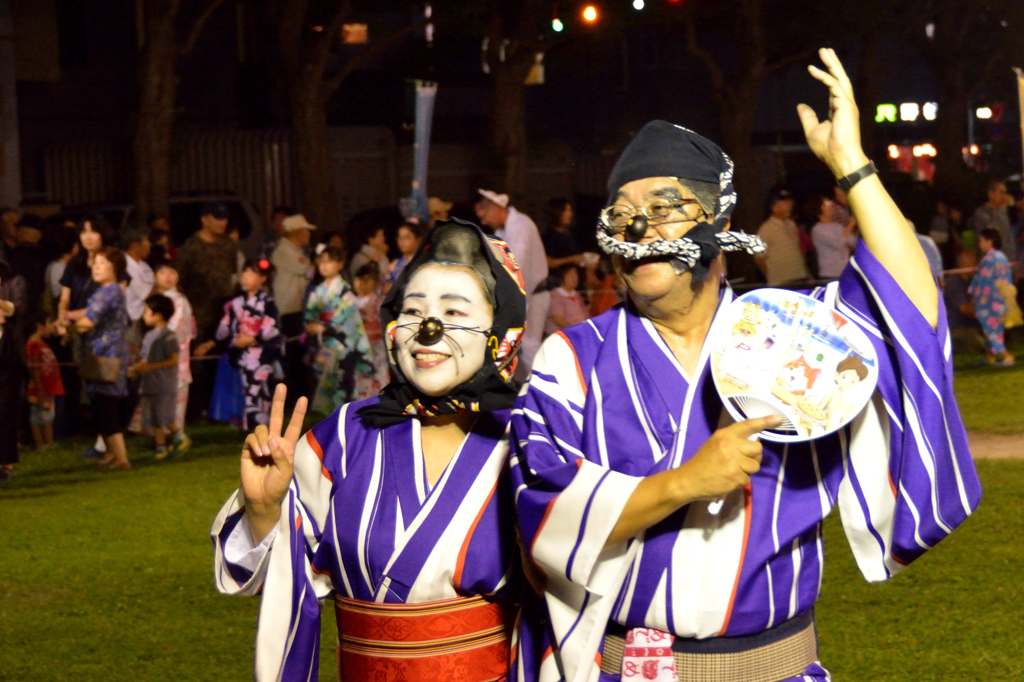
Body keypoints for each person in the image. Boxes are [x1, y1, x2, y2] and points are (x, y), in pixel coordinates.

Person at [511, 49, 979, 682]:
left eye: (666, 205)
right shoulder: (572, 358)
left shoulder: (793, 333)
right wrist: (684, 482)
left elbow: (911, 309)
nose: (641, 226)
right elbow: (541, 512)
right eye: (623, 213)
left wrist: (851, 165)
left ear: (721, 224)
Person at [211, 220, 542, 681]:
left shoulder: (532, 443)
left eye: (455, 311)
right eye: (414, 309)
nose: (428, 329)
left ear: (500, 328)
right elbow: (272, 574)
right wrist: (265, 511)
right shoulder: (343, 439)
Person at [62, 247, 131, 471]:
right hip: (102, 357)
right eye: (95, 263)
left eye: (101, 263)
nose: (95, 267)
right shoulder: (110, 291)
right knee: (101, 406)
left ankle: (121, 458)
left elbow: (89, 321)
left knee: (106, 408)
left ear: (115, 268)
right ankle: (111, 454)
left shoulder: (107, 292)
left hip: (106, 358)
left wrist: (67, 329)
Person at [201, 259, 281, 430]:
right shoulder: (237, 303)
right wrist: (214, 342)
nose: (246, 277)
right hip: (243, 354)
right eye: (244, 273)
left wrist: (253, 339)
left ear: (263, 278)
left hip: (261, 355)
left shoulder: (267, 303)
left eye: (252, 274)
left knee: (260, 391)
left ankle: (260, 428)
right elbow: (225, 328)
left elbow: (271, 329)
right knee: (247, 392)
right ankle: (250, 428)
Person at [476, 189, 549, 372]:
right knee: (516, 346)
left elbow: (515, 265)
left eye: (484, 215)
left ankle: (545, 388)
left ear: (495, 207)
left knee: (529, 345)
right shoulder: (502, 231)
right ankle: (525, 391)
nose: (484, 221)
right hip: (523, 295)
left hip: (535, 294)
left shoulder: (520, 225)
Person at [178, 202, 239, 418]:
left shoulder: (228, 245)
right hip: (199, 315)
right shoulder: (190, 247)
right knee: (199, 366)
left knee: (221, 362)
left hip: (222, 313)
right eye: (216, 218)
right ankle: (196, 410)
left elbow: (232, 276)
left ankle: (218, 409)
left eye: (224, 219)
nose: (221, 222)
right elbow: (181, 281)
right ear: (204, 219)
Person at [304, 247, 376, 414]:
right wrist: (311, 325)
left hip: (344, 343)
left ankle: (344, 419)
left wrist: (324, 326)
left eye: (330, 261)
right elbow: (310, 315)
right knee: (323, 382)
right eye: (321, 262)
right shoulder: (317, 291)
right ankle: (329, 421)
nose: (325, 266)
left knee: (343, 382)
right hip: (325, 342)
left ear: (340, 264)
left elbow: (345, 316)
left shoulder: (345, 290)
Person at [131, 294, 189, 458]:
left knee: (164, 415)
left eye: (146, 311)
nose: (144, 315)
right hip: (150, 383)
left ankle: (179, 437)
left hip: (163, 383)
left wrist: (150, 367)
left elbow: (173, 360)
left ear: (157, 315)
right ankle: (160, 447)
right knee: (154, 417)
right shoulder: (149, 336)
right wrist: (136, 368)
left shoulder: (169, 336)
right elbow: (145, 357)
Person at [271, 214, 316, 405]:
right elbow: (306, 270)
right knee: (293, 354)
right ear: (297, 233)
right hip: (290, 310)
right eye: (305, 230)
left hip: (298, 308)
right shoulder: (284, 250)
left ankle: (301, 394)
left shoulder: (295, 250)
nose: (308, 234)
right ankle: (293, 396)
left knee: (299, 353)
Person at [152, 264, 196, 435]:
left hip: (175, 357)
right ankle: (162, 437)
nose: (167, 276)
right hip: (159, 357)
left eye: (172, 271)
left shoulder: (179, 300)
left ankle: (175, 436)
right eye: (162, 272)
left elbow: (178, 329)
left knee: (174, 397)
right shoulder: (155, 298)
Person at [969, 228, 1015, 366]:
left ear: (990, 241)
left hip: (989, 301)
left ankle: (1007, 357)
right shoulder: (1001, 257)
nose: (979, 244)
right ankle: (990, 356)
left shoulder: (988, 259)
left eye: (982, 241)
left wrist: (973, 293)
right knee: (994, 329)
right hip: (1001, 300)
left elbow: (981, 281)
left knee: (991, 329)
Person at [0, 257, 25, 480]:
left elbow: (15, 309)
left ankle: (6, 462)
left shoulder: (15, 282)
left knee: (6, 410)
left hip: (8, 355)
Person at [26, 311, 65, 450]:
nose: (51, 328)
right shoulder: (33, 345)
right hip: (42, 387)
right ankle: (42, 443)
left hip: (50, 386)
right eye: (49, 324)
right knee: (40, 417)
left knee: (47, 416)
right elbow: (35, 369)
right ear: (39, 326)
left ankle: (47, 443)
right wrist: (40, 389)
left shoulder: (44, 344)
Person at [757, 187, 810, 284]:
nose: (790, 207)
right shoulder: (765, 229)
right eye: (785, 204)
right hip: (782, 283)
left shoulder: (791, 225)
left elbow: (797, 252)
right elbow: (759, 258)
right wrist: (773, 277)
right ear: (774, 207)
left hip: (800, 279)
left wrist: (808, 274)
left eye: (790, 203)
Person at [351, 263, 391, 394]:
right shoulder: (351, 301)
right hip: (356, 346)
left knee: (378, 377)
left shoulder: (380, 302)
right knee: (359, 379)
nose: (362, 283)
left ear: (375, 283)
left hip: (375, 346)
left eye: (367, 280)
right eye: (359, 279)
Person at [944, 250, 984, 353]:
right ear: (964, 264)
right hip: (959, 328)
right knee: (983, 347)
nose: (977, 265)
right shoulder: (954, 282)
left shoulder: (970, 280)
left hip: (969, 326)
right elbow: (965, 310)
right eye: (974, 261)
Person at [810, 196, 857, 278]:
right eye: (828, 203)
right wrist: (851, 224)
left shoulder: (837, 226)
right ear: (819, 207)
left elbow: (854, 242)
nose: (831, 206)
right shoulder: (817, 229)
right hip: (830, 274)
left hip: (844, 273)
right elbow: (837, 244)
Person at [971, 181, 1015, 265]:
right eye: (1001, 193)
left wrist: (1012, 260)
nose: (1004, 196)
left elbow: (1009, 236)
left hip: (1005, 260)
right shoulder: (981, 213)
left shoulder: (1003, 212)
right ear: (990, 194)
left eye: (1005, 193)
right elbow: (992, 233)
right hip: (990, 262)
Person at [543, 264, 589, 336]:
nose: (574, 278)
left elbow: (586, 315)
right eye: (570, 275)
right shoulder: (555, 295)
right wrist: (577, 331)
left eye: (575, 274)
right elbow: (558, 320)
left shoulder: (576, 295)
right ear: (561, 277)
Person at [384, 221, 425, 289]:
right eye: (400, 238)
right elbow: (385, 288)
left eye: (406, 237)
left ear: (418, 240)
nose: (402, 241)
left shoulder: (424, 262)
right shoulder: (395, 264)